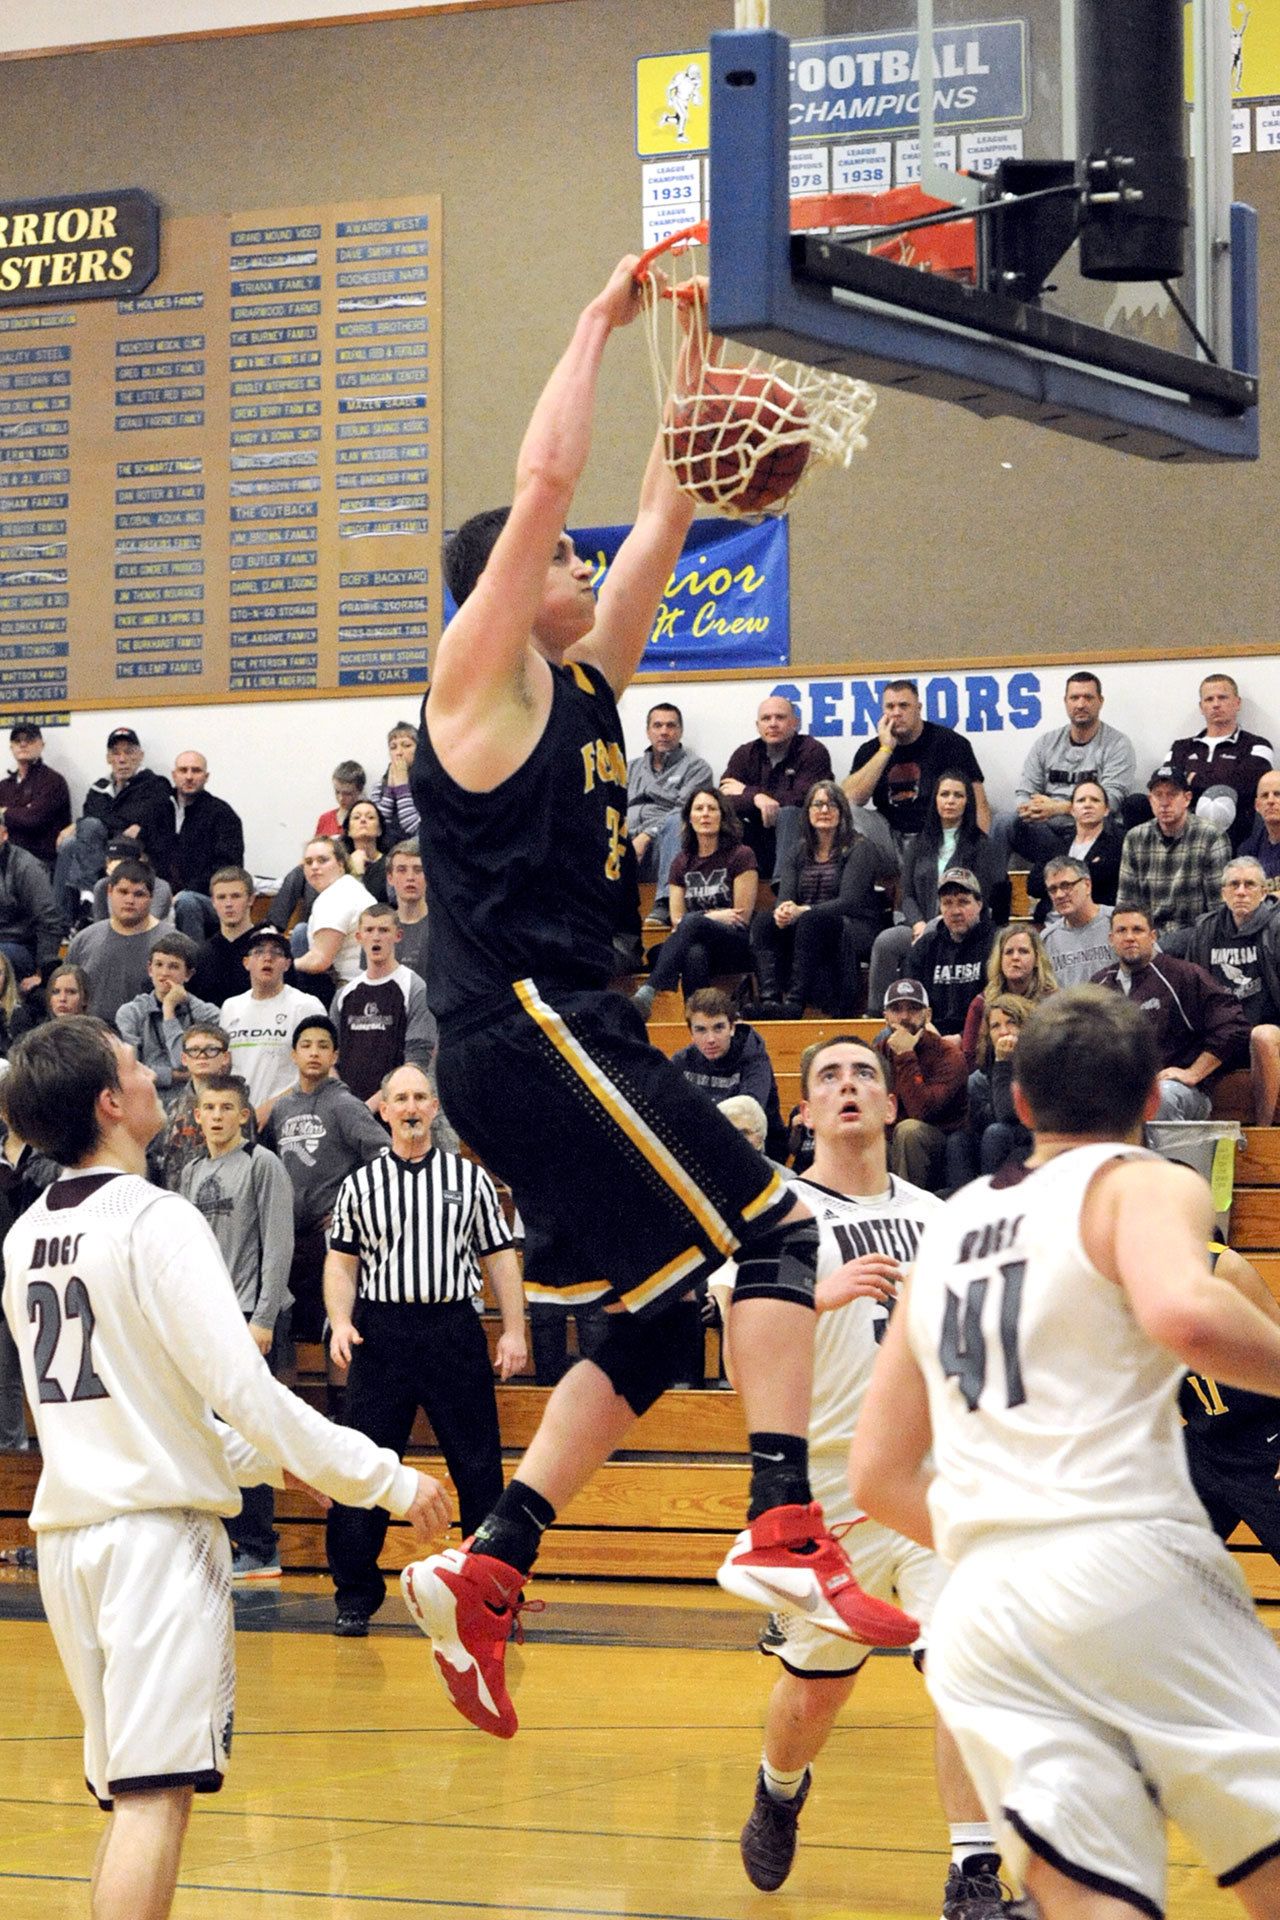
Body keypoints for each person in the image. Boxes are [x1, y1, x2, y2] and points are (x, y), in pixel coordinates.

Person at [404, 256, 914, 1744]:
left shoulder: (587, 696)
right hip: (527, 1024)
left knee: (662, 1303)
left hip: (565, 1036)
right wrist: (593, 320)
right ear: (511, 585)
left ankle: (492, 1564)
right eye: (562, 563)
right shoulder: (476, 686)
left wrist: (690, 371)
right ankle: (782, 1527)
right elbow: (548, 479)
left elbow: (671, 507)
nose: (586, 569)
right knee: (775, 1227)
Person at [0, 1015, 450, 1920]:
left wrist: (275, 1466)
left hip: (70, 1543)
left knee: (130, 1801)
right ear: (109, 1102)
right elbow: (243, 1389)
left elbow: (154, 1403)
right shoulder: (156, 1217)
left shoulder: (24, 1238)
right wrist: (386, 1478)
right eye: (133, 1065)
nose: (151, 1076)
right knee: (152, 1803)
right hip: (156, 1547)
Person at [850, 986, 1280, 1920]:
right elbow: (1183, 1311)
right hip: (1123, 1561)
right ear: (1152, 1108)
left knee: (1095, 1902)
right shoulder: (1142, 1180)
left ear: (1020, 1104)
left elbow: (876, 1475)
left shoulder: (949, 1229)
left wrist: (1010, 1541)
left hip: (982, 1608)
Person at [709, 1036, 1021, 1919]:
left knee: (964, 1663)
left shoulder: (944, 1216)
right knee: (817, 1689)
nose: (850, 1088)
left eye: (866, 1077)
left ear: (893, 1107)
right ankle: (778, 1789)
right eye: (830, 1078)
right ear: (801, 1112)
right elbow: (741, 1366)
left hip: (932, 1478)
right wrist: (820, 1293)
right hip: (824, 1490)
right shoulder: (773, 1220)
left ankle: (973, 1871)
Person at [324, 1063, 526, 1635]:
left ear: (433, 1108)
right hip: (381, 1334)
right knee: (362, 1467)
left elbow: (501, 1257)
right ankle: (355, 1595)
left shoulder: (471, 1180)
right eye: (400, 1099)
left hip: (452, 1330)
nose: (411, 1107)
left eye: (420, 1097)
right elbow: (341, 1262)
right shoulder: (360, 1185)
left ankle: (490, 1595)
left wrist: (514, 1329)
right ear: (383, 1110)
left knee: (479, 1469)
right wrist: (340, 1321)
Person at [181, 1073, 295, 1580]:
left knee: (248, 1431)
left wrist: (264, 1317)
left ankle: (259, 1545)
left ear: (244, 1114)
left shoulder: (261, 1163)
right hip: (200, 1320)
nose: (219, 1116)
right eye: (210, 1107)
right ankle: (222, 1540)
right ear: (198, 1115)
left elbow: (279, 1244)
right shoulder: (189, 1173)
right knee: (206, 1432)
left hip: (247, 1318)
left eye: (228, 1107)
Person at [260, 1016, 388, 1342]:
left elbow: (384, 1156)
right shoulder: (282, 1109)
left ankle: (338, 1395)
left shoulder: (345, 1104)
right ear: (293, 1055)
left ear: (335, 1057)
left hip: (331, 1236)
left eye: (323, 1046)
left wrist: (351, 1208)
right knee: (292, 1333)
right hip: (290, 1236)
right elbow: (267, 1162)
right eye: (306, 1046)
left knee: (336, 1326)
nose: (314, 1053)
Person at [1091, 903, 1251, 1120]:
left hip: (1176, 1091)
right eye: (1121, 931)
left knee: (1160, 1098)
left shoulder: (1183, 975)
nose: (1129, 937)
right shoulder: (1098, 985)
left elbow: (1233, 1026)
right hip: (1120, 1091)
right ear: (1111, 938)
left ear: (1153, 936)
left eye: (1137, 930)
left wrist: (1193, 1073)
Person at [867, 768, 1006, 1014]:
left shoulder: (982, 845)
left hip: (964, 928)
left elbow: (980, 896)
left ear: (967, 802)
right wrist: (919, 923)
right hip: (918, 928)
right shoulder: (918, 844)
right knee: (886, 942)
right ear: (935, 800)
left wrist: (939, 923)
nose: (950, 801)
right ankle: (878, 1015)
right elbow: (906, 894)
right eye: (944, 794)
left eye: (957, 795)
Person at [749, 779, 890, 1019]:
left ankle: (795, 1002)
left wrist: (802, 911)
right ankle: (770, 1000)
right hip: (808, 924)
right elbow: (785, 897)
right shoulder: (798, 850)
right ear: (808, 812)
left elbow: (849, 901)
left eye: (831, 805)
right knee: (764, 921)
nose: (824, 810)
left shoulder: (860, 847)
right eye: (818, 805)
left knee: (811, 919)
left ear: (842, 811)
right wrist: (783, 911)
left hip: (852, 926)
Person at [1181, 1238, 1280, 1572]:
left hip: (1265, 1446)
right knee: (1166, 1570)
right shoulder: (1125, 1286)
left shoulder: (1224, 1267)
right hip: (1206, 1447)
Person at [1166, 857, 1280, 1125]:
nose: (1241, 891)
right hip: (1225, 1032)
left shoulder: (1276, 927)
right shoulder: (1207, 929)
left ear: (1263, 892)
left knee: (1262, 1035)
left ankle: (1263, 1131)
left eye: (1250, 884)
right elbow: (1193, 992)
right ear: (1223, 892)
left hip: (1268, 1030)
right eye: (1234, 884)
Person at [990, 671, 1136, 872]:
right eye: (1074, 698)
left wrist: (1060, 808)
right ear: (1065, 702)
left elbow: (1112, 800)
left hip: (1091, 833)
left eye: (1088, 697)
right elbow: (1024, 792)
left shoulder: (1118, 744)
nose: (1081, 704)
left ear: (1100, 701)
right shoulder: (1046, 743)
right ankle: (993, 898)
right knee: (1002, 822)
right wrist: (1031, 809)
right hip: (1046, 830)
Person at [633, 785, 757, 1016]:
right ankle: (698, 1019)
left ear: (723, 816)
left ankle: (650, 989)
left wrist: (702, 919)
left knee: (693, 924)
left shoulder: (742, 855)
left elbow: (741, 916)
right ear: (690, 818)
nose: (705, 814)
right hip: (695, 942)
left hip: (733, 942)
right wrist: (714, 915)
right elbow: (677, 920)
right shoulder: (681, 861)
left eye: (712, 808)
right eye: (699, 809)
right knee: (694, 953)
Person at [843, 680, 989, 851]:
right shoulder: (870, 750)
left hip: (935, 836)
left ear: (918, 708)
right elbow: (849, 799)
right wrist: (885, 750)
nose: (897, 713)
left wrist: (980, 855)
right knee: (846, 812)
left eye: (904, 706)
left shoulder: (951, 744)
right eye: (890, 707)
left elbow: (979, 804)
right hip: (888, 839)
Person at [52, 726, 173, 929]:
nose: (122, 759)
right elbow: (96, 818)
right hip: (100, 850)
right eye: (116, 753)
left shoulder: (155, 784)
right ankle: (61, 922)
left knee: (88, 830)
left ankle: (86, 901)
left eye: (129, 752)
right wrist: (118, 823)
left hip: (135, 853)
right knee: (70, 844)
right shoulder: (99, 788)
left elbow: (144, 818)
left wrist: (104, 822)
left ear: (140, 755)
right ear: (108, 758)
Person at [332, 902, 437, 1105]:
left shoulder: (414, 988)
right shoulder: (344, 994)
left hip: (396, 1107)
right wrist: (344, 1103)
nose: (376, 936)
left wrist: (371, 1106)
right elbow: (330, 1055)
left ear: (398, 935)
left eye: (384, 930)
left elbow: (416, 1061)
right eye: (369, 930)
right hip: (348, 1107)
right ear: (359, 937)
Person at [719, 695, 834, 880]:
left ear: (795, 722)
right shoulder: (745, 754)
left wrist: (750, 793)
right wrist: (756, 798)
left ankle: (784, 887)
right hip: (756, 833)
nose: (772, 724)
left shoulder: (812, 751)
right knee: (724, 819)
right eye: (766, 719)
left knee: (789, 813)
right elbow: (724, 798)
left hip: (799, 835)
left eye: (780, 717)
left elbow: (805, 798)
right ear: (758, 726)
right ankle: (727, 889)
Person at [220, 928, 328, 1124]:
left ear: (287, 964)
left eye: (276, 952)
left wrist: (269, 1109)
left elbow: (319, 1071)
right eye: (259, 951)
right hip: (238, 1120)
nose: (267, 958)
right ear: (246, 962)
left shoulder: (306, 1006)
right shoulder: (230, 1007)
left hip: (289, 1118)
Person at [876, 979, 970, 1194]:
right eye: (896, 1009)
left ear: (928, 1015)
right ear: (885, 1017)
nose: (905, 1017)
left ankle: (906, 1211)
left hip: (941, 1142)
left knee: (909, 1131)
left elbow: (922, 1110)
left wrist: (905, 1055)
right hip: (891, 1141)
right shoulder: (878, 1053)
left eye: (913, 1008)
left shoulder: (948, 1055)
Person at [1165, 671, 1275, 851]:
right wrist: (1224, 777)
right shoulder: (1180, 747)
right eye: (1209, 699)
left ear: (1237, 703)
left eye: (1222, 697)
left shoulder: (1257, 745)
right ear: (1201, 707)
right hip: (1184, 827)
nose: (1216, 704)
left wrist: (1195, 780)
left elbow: (1247, 786)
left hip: (1238, 829)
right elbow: (1169, 786)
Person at [626, 701, 712, 926]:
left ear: (680, 731)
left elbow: (685, 810)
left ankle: (664, 903)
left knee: (677, 820)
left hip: (665, 848)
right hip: (625, 845)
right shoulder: (629, 768)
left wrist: (646, 836)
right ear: (648, 731)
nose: (664, 731)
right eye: (657, 725)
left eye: (671, 726)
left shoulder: (696, 768)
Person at [1117, 763, 1230, 935]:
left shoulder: (1211, 836)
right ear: (1150, 800)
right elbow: (1126, 904)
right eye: (1158, 795)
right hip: (1148, 936)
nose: (1164, 803)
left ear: (1187, 798)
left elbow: (1218, 909)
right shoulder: (1135, 838)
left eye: (1172, 794)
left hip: (1194, 935)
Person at [669, 988, 783, 1154]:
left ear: (732, 1027)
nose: (711, 1039)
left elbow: (748, 1115)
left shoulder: (754, 1057)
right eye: (701, 1030)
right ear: (691, 1033)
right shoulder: (682, 1061)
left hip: (758, 1155)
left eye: (718, 1028)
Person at [116, 934, 222, 1104]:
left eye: (173, 966)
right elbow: (131, 1070)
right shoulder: (131, 1012)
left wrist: (169, 1010)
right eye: (158, 965)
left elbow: (182, 1062)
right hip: (146, 1104)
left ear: (188, 974)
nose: (164, 973)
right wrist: (178, 1076)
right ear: (150, 969)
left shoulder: (205, 1013)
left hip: (194, 1105)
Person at [66, 859, 169, 1026]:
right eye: (123, 892)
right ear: (109, 891)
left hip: (150, 1043)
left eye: (139, 894)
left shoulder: (171, 944)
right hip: (91, 1039)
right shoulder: (83, 940)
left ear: (151, 897)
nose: (130, 900)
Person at [902, 868, 996, 1038]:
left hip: (981, 1035)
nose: (955, 911)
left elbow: (999, 1003)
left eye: (963, 902)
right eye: (947, 903)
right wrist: (931, 1036)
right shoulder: (925, 946)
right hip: (930, 1035)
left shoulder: (996, 943)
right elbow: (910, 1000)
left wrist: (962, 1038)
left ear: (979, 904)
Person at [164, 750, 246, 941]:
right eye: (183, 770)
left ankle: (195, 967)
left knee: (187, 902)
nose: (189, 776)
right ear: (174, 775)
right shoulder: (158, 810)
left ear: (206, 777)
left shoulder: (222, 815)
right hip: (164, 896)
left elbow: (228, 868)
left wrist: (186, 891)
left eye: (196, 771)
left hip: (207, 900)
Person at [150, 1023, 237, 1193]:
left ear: (225, 1057)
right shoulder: (170, 1109)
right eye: (194, 1050)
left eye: (211, 1050)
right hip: (176, 1202)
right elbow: (158, 1161)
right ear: (184, 1058)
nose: (202, 1056)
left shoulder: (239, 1107)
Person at [1024, 776, 1124, 919]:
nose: (1087, 805)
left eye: (1095, 800)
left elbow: (1107, 886)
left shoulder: (1118, 843)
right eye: (1081, 800)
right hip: (1051, 919)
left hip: (1097, 920)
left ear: (1106, 810)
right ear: (1072, 810)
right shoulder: (1058, 843)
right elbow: (1033, 885)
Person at [961, 926, 1057, 1070]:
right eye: (1008, 952)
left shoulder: (1054, 1001)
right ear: (999, 959)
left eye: (1023, 951)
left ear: (1037, 959)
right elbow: (969, 1057)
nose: (1015, 957)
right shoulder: (981, 1003)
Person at [292, 837, 377, 989]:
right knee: (301, 931)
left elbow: (319, 961)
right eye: (309, 862)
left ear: (340, 864)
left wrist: (286, 964)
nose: (314, 867)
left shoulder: (336, 896)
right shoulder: (348, 887)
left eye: (322, 860)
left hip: (352, 987)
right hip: (364, 981)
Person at [965, 993, 1035, 1175]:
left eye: (1011, 1022)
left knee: (997, 1133)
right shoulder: (983, 1072)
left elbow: (1007, 1115)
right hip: (996, 1143)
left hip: (1032, 1143)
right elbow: (977, 1122)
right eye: (996, 1026)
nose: (1004, 1032)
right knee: (959, 1141)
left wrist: (1003, 1062)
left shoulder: (1041, 1062)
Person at [0, 804, 62, 988]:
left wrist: (44, 975)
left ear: (4, 835)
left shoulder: (26, 867)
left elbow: (50, 920)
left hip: (18, 945)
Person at [188, 865, 264, 1006]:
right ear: (213, 902)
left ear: (251, 899)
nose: (228, 904)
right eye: (221, 897)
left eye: (235, 896)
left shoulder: (267, 950)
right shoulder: (201, 955)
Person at [0, 721, 71, 869]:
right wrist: (23, 811)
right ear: (11, 747)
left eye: (29, 739)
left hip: (40, 860)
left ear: (41, 745)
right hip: (5, 859)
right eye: (17, 740)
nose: (23, 744)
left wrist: (5, 811)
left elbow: (33, 820)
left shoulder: (52, 780)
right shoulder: (4, 785)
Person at [1039, 856, 1115, 988]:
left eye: (1066, 886)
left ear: (1087, 885)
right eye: (1053, 889)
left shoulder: (1117, 922)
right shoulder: (1047, 939)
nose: (1059, 895)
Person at [90, 838, 174, 927]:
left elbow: (145, 925)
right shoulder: (103, 886)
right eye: (110, 860)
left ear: (139, 861)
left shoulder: (159, 887)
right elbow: (99, 926)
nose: (114, 865)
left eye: (121, 861)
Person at [385, 839, 429, 981]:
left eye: (418, 870)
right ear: (390, 878)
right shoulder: (378, 928)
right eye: (402, 870)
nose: (410, 878)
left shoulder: (444, 927)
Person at [370, 721, 421, 844]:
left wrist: (402, 788)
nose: (399, 752)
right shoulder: (379, 786)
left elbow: (414, 827)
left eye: (407, 745)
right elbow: (378, 827)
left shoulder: (430, 783)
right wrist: (389, 791)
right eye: (393, 747)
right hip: (387, 850)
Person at [342, 797, 390, 903]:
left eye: (370, 817)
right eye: (356, 817)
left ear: (379, 830)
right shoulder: (340, 865)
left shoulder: (390, 864)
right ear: (348, 830)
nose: (363, 820)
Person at [1240, 767, 1280, 886]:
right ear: (1257, 806)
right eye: (1265, 796)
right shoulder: (1247, 850)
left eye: (1278, 794)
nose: (1270, 801)